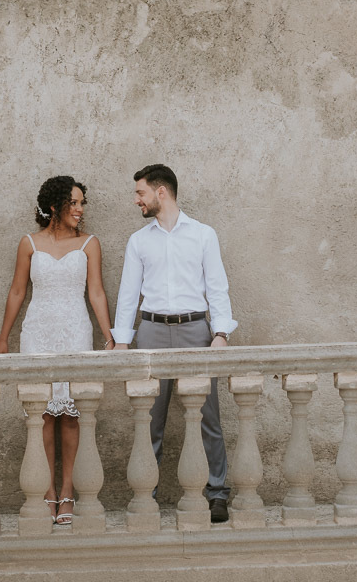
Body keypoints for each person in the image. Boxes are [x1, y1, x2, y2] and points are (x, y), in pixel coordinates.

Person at [112, 164, 237, 523]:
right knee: (150, 419)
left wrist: (221, 333)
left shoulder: (203, 235)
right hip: (151, 331)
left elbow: (217, 287)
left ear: (160, 192)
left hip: (195, 331)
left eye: (140, 192)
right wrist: (123, 341)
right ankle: (145, 496)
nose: (136, 200)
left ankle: (216, 493)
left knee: (208, 416)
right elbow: (127, 295)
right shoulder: (139, 241)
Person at [0, 176, 115, 525]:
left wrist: (110, 339)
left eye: (82, 204)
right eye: (74, 203)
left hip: (75, 331)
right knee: (43, 414)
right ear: (56, 206)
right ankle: (46, 492)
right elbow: (17, 292)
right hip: (38, 333)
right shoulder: (29, 243)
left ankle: (68, 491)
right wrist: (4, 339)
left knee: (72, 415)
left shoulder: (90, 244)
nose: (80, 210)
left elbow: (97, 294)